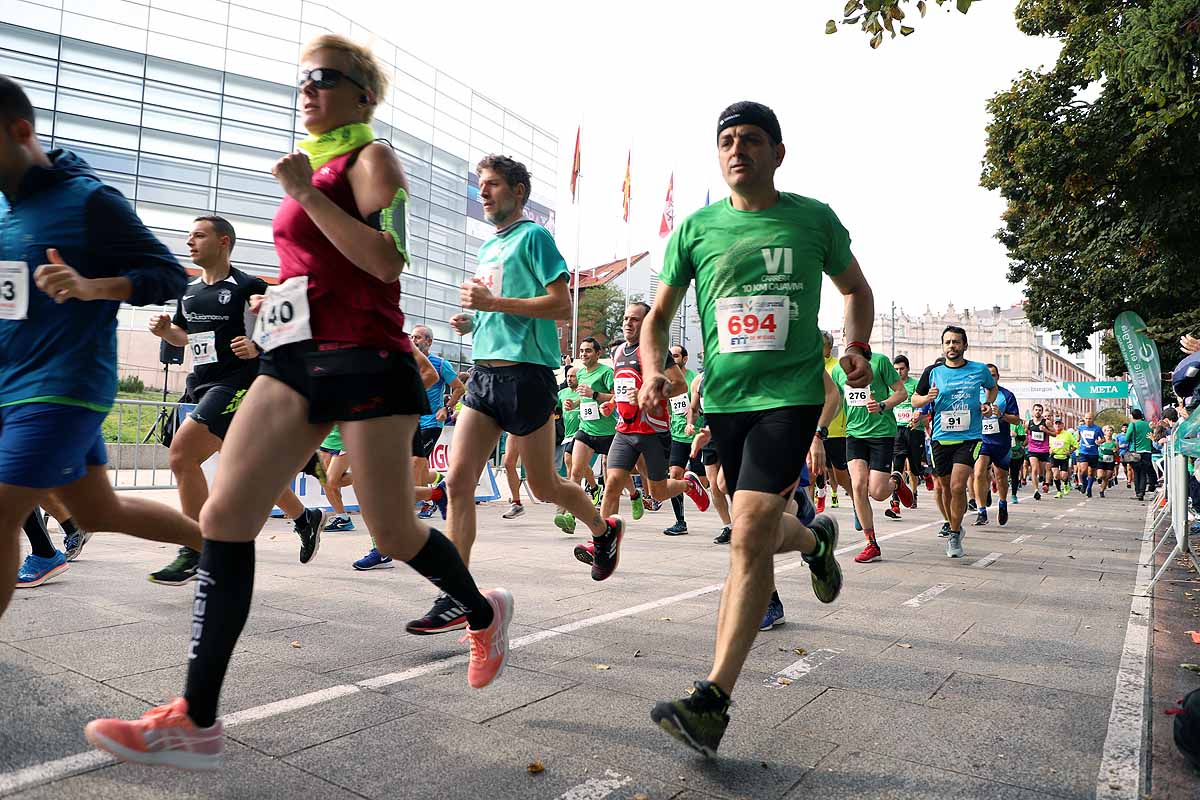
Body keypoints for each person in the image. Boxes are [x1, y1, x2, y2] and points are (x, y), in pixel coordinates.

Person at [85, 36, 512, 769]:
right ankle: (196, 718)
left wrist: (308, 194)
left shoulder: (369, 162)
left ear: (362, 95)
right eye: (302, 81)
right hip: (292, 362)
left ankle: (482, 610)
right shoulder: (307, 165)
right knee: (222, 513)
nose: (307, 91)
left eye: (323, 79)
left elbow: (385, 261)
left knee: (394, 527)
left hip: (367, 360)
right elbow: (305, 274)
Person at [639, 101, 873, 756]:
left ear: (777, 152)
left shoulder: (812, 219)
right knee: (761, 525)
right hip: (726, 399)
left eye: (750, 139)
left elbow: (857, 290)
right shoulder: (696, 229)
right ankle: (816, 542)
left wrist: (854, 346)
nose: (736, 149)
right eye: (726, 141)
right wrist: (656, 370)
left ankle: (712, 699)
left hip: (792, 394)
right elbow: (657, 317)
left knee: (745, 532)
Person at [0, 76, 204, 615]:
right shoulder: (8, 212)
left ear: (20, 131)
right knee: (96, 509)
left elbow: (168, 275)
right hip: (10, 386)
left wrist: (94, 286)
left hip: (61, 388)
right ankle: (219, 548)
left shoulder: (89, 201)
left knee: (0, 512)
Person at [407, 152, 616, 634]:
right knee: (459, 482)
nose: (483, 193)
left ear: (518, 192)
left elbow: (561, 305)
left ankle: (604, 531)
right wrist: (474, 319)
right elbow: (494, 311)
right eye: (481, 185)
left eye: (494, 185)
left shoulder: (535, 237)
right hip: (484, 377)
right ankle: (458, 594)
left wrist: (492, 303)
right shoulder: (487, 249)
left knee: (544, 487)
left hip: (527, 377)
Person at [146, 216, 326, 585]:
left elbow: (293, 324)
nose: (189, 242)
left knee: (182, 454)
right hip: (202, 383)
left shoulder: (249, 286)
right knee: (250, 470)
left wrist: (258, 344)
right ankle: (304, 518)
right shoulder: (189, 290)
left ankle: (195, 547)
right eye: (188, 235)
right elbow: (185, 334)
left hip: (238, 383)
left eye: (198, 235)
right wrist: (168, 331)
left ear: (223, 242)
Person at [574, 303, 709, 574]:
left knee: (656, 492)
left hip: (654, 431)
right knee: (612, 483)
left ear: (646, 324)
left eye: (634, 320)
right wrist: (613, 403)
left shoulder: (656, 353)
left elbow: (680, 386)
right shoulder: (618, 351)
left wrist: (653, 393)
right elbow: (622, 386)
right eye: (625, 318)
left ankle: (687, 484)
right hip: (625, 429)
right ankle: (602, 544)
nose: (627, 323)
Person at [910, 325, 997, 558]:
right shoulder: (933, 372)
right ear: (943, 346)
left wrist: (987, 404)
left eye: (956, 342)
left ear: (964, 346)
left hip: (969, 437)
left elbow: (992, 388)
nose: (952, 346)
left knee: (958, 486)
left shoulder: (979, 370)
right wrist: (925, 397)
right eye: (948, 342)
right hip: (940, 438)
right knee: (946, 488)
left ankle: (955, 534)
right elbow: (914, 400)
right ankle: (952, 523)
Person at [831, 350, 912, 563]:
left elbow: (901, 393)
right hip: (854, 434)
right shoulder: (840, 368)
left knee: (877, 492)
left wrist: (883, 405)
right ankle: (871, 543)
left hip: (881, 433)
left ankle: (896, 482)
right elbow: (836, 401)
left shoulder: (880, 361)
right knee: (857, 485)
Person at [410, 325, 463, 522]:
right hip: (411, 422)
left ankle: (429, 500)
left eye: (418, 337)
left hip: (432, 422)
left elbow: (459, 388)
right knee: (417, 466)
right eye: (412, 336)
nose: (413, 340)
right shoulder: (409, 362)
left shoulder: (440, 364)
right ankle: (440, 484)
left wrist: (446, 408)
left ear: (429, 341)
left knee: (416, 464)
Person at [972, 364, 1020, 526]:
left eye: (993, 375)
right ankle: (981, 511)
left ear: (997, 377)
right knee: (978, 473)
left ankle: (1003, 503)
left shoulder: (1007, 395)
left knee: (1001, 477)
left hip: (1001, 442)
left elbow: (1016, 419)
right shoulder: (975, 394)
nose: (990, 378)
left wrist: (1001, 415)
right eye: (987, 375)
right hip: (982, 440)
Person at [664, 344, 701, 536]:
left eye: (676, 356)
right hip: (677, 435)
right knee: (674, 475)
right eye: (670, 356)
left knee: (708, 481)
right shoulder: (667, 380)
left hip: (698, 435)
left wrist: (692, 422)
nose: (673, 358)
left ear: (685, 359)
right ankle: (680, 522)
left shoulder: (694, 379)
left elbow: (696, 407)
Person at [815, 331, 850, 513]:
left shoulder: (837, 367)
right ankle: (816, 503)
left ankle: (856, 502)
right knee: (812, 469)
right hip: (811, 429)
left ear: (829, 347)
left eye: (821, 345)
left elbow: (846, 389)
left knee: (840, 474)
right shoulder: (807, 364)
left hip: (835, 430)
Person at [889, 354, 926, 512]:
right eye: (896, 369)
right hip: (897, 430)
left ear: (908, 369)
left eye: (902, 369)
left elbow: (924, 405)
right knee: (897, 465)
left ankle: (914, 493)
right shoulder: (891, 386)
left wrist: (918, 415)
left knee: (914, 467)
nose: (899, 372)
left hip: (914, 430)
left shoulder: (915, 385)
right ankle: (895, 500)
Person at [1126, 408, 1156, 501]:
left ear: (1132, 416)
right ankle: (1142, 492)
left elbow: (1127, 438)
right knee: (1143, 472)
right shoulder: (1148, 424)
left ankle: (1138, 492)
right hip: (1147, 451)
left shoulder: (1133, 425)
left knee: (1136, 472)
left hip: (1135, 452)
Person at [1075, 410, 1105, 498]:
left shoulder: (1097, 428)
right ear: (1084, 419)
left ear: (1093, 419)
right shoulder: (1081, 428)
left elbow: (1103, 439)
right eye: (1086, 418)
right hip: (1083, 452)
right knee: (1083, 470)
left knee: (1091, 473)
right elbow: (1078, 438)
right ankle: (1084, 484)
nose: (1088, 420)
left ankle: (1089, 488)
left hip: (1094, 453)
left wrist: (1099, 441)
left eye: (1090, 418)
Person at [1026, 403, 1052, 500]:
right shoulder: (1028, 423)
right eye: (1036, 410)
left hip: (1044, 450)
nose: (1038, 412)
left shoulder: (1046, 423)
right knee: (1034, 469)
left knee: (1042, 471)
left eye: (1040, 410)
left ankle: (1042, 477)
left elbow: (1054, 434)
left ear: (1042, 412)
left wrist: (1045, 430)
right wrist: (1023, 445)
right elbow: (1026, 434)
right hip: (1032, 449)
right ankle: (1036, 490)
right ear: (1033, 411)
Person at [1048, 419, 1077, 498]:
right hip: (1054, 456)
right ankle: (1059, 491)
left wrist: (1070, 451)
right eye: (1056, 424)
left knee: (1064, 476)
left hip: (1064, 457)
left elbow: (1075, 445)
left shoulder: (1067, 434)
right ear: (1054, 425)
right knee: (1056, 475)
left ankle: (1066, 483)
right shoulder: (1051, 434)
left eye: (1059, 424)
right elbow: (1046, 444)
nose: (1058, 425)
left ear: (1063, 425)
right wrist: (1049, 449)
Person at [1096, 425, 1117, 497]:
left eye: (1111, 431)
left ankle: (1102, 491)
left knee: (1107, 477)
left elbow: (1117, 453)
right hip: (1101, 460)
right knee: (1100, 476)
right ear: (1104, 432)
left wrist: (1115, 451)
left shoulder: (1114, 442)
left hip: (1110, 461)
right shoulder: (1101, 441)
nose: (1109, 432)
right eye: (1107, 430)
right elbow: (1096, 446)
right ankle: (1098, 479)